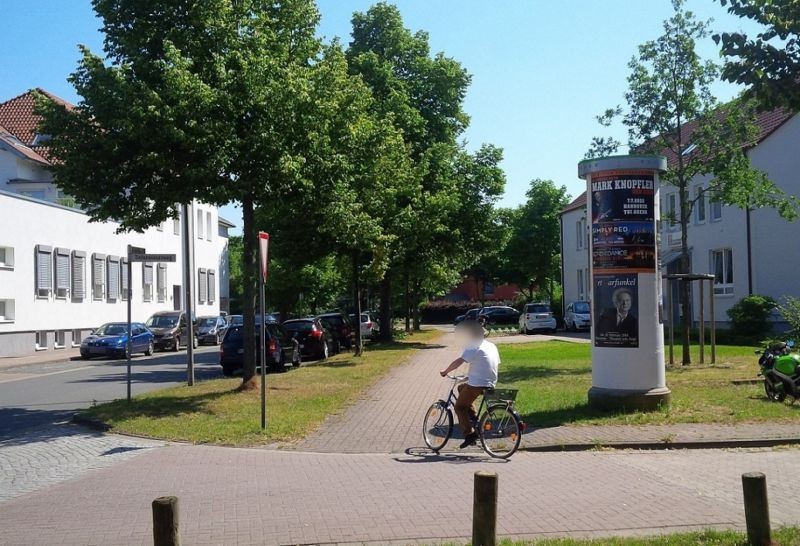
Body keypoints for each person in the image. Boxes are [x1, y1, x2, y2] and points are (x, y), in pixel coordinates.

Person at [439, 321, 500, 449]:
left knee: (459, 407)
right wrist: (470, 376)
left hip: (477, 384)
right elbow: (487, 364)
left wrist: (445, 371)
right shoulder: (492, 346)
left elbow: (459, 361)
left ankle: (469, 434)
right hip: (491, 383)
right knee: (461, 388)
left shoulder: (473, 345)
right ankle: (473, 417)